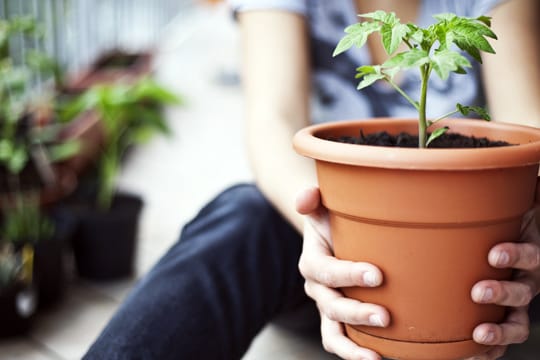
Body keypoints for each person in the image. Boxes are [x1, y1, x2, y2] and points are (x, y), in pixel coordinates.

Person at [84, 1, 540, 359]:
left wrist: (527, 218)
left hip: (487, 267)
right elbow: (274, 124)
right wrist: (322, 230)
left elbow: (528, 130)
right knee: (244, 214)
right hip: (334, 268)